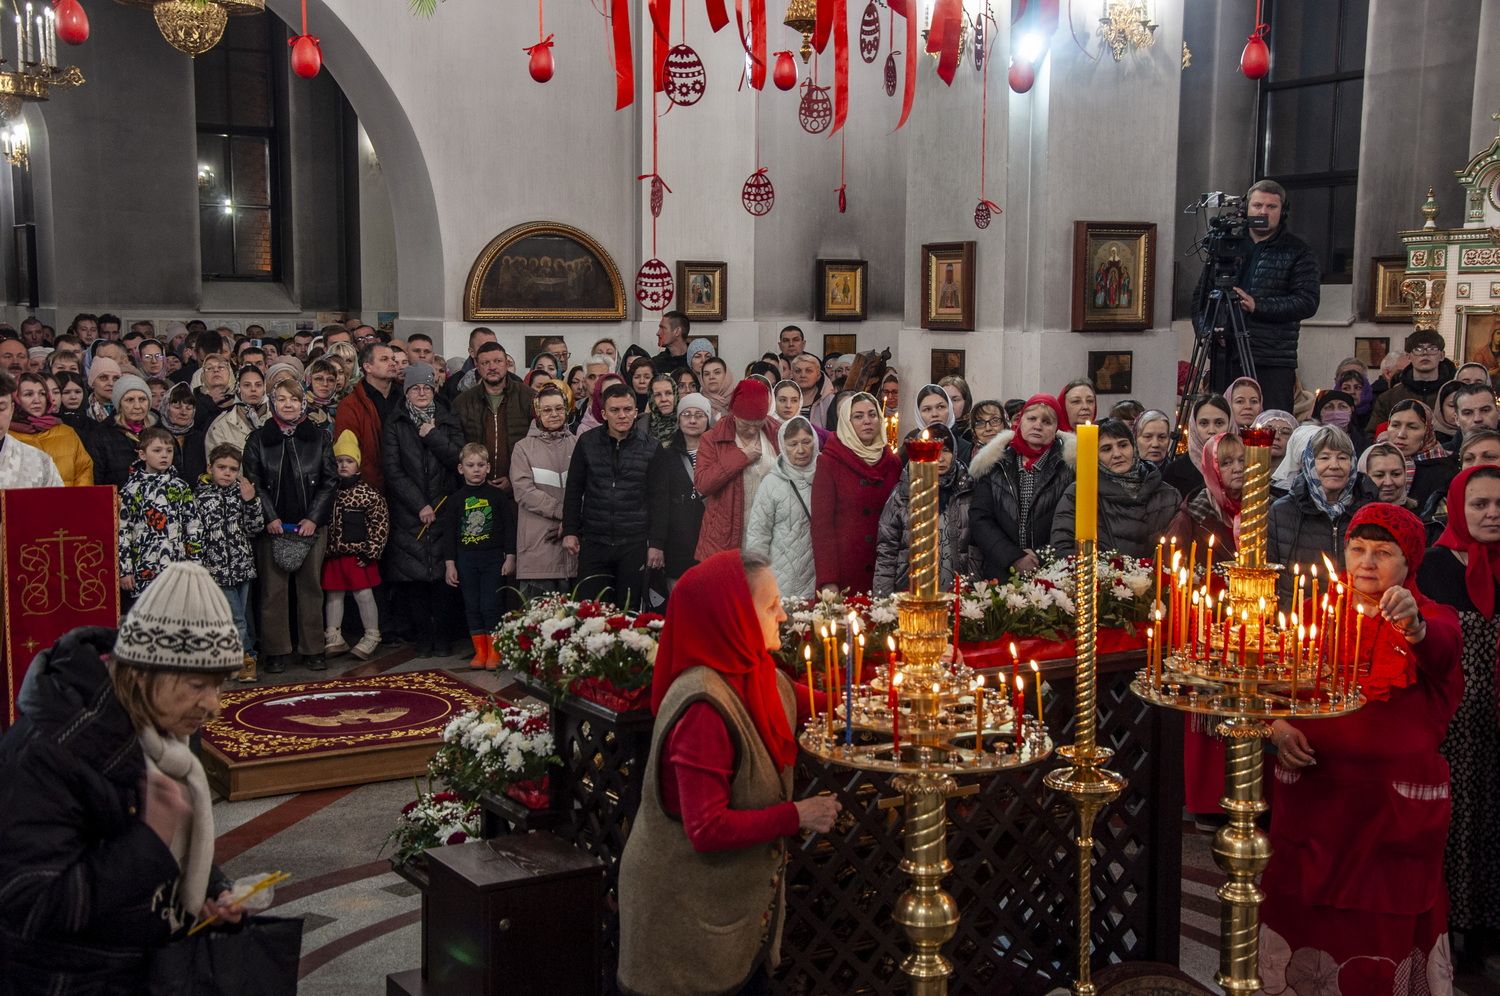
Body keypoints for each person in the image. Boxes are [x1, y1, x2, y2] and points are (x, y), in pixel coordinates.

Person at [0, 561, 250, 993]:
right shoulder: (48, 751)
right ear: (142, 673)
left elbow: (169, 846)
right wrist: (148, 840)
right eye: (197, 685)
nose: (214, 705)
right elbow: (29, 903)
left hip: (142, 968)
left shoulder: (158, 735)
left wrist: (212, 890)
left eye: (219, 685)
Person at [617, 551, 840, 996]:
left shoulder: (756, 673)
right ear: (732, 615)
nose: (783, 614)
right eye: (770, 605)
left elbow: (829, 703)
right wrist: (799, 815)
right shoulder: (702, 706)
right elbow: (707, 829)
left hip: (728, 919)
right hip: (683, 929)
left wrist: (900, 689)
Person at [1260, 504, 1460, 995]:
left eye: (1383, 552)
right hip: (1314, 803)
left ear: (1409, 562)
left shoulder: (1435, 617)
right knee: (1303, 911)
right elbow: (1269, 687)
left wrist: (1413, 626)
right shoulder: (1315, 613)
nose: (1367, 562)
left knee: (1381, 924)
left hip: (1390, 814)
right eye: (1357, 549)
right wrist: (1278, 727)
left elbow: (1439, 650)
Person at [1413, 469, 1500, 967]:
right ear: (1457, 508)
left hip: (1497, 718)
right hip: (1454, 720)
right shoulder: (1434, 566)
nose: (1492, 514)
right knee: (1457, 817)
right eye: (1480, 504)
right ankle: (1454, 926)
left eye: (1499, 505)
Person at [1191, 179, 1320, 411]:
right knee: (1222, 419)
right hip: (1225, 354)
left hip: (1271, 358)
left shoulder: (1298, 250)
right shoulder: (1225, 245)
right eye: (1257, 206)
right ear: (1246, 209)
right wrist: (1208, 332)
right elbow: (1200, 301)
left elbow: (1307, 302)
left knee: (1270, 422)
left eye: (1271, 207)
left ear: (1282, 211)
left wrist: (1257, 305)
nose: (1263, 212)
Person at [243, 380, 337, 673]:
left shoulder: (319, 437)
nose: (288, 404)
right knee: (273, 590)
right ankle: (276, 650)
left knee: (311, 588)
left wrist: (314, 518)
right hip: (273, 526)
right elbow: (254, 481)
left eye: (293, 399)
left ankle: (313, 648)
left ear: (302, 403)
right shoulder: (258, 439)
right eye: (281, 399)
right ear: (273, 403)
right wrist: (269, 517)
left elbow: (330, 481)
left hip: (310, 525)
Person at [383, 363, 465, 657]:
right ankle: (423, 638)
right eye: (415, 388)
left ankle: (443, 637)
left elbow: (458, 459)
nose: (421, 393)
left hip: (444, 507)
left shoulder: (447, 419)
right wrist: (419, 504)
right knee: (414, 579)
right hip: (410, 512)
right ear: (406, 392)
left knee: (443, 577)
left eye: (426, 388)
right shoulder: (396, 422)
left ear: (434, 390)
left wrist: (432, 435)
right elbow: (393, 470)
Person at [564, 383, 659, 608]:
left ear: (636, 412)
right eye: (615, 410)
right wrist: (570, 530)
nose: (622, 415)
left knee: (628, 612)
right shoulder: (587, 443)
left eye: (627, 409)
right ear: (604, 414)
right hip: (594, 541)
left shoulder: (651, 447)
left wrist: (657, 543)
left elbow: (659, 499)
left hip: (633, 544)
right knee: (590, 613)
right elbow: (574, 489)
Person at [971, 394, 1077, 580]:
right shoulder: (995, 463)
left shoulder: (1069, 468)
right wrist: (1014, 557)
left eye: (1047, 422)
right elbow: (980, 519)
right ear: (1020, 421)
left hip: (1053, 572)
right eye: (1032, 418)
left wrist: (1040, 556)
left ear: (1056, 428)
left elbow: (1073, 523)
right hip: (1002, 570)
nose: (1038, 426)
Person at [1267, 425, 1375, 606]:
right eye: (1324, 457)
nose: (1334, 465)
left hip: (1354, 616)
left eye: (1343, 457)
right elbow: (1270, 574)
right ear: (1309, 462)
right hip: (1298, 616)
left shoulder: (1369, 511)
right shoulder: (1281, 512)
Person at [812, 392, 902, 594]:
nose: (867, 421)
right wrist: (828, 580)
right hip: (846, 569)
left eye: (872, 414)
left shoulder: (893, 462)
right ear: (847, 422)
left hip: (885, 568)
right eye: (858, 416)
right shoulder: (830, 461)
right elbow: (822, 526)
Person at [1052, 418, 1179, 558]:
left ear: (1134, 447)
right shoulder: (1078, 494)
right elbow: (1063, 548)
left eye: (1123, 445)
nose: (1117, 454)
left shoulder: (1168, 495)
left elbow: (1178, 550)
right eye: (1106, 449)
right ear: (1095, 455)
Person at [873, 424, 974, 595]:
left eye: (946, 450)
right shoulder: (903, 493)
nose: (940, 458)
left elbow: (975, 549)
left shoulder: (968, 489)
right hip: (911, 590)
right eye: (934, 451)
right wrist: (882, 599)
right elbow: (887, 550)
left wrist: (975, 590)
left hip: (959, 591)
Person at [195, 443, 265, 682]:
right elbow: (195, 534)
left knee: (240, 616)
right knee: (235, 618)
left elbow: (255, 528)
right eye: (222, 467)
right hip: (215, 568)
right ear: (210, 468)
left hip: (241, 566)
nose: (227, 473)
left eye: (233, 469)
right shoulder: (199, 496)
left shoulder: (241, 493)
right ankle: (246, 658)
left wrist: (251, 501)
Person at [443, 442, 517, 670]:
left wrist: (511, 556)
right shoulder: (455, 500)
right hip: (465, 559)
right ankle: (480, 651)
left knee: (491, 604)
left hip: (493, 558)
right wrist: (450, 564)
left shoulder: (497, 497)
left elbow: (509, 528)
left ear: (488, 467)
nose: (476, 469)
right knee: (472, 605)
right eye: (470, 465)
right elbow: (449, 535)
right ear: (460, 468)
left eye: (480, 465)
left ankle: (495, 652)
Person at [321, 431, 389, 663]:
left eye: (349, 461)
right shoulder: (329, 492)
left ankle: (372, 634)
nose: (343, 465)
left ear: (357, 464)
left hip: (359, 555)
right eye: (339, 461)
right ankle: (333, 634)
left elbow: (380, 523)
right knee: (333, 594)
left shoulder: (368, 494)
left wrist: (371, 551)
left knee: (363, 594)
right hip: (334, 554)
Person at [694, 379, 781, 561]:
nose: (751, 430)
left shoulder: (776, 432)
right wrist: (741, 457)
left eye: (757, 424)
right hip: (726, 535)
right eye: (745, 424)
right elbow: (703, 484)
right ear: (734, 415)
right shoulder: (713, 438)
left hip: (768, 534)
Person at [118, 427, 203, 602]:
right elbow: (122, 531)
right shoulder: (131, 490)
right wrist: (125, 570)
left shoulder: (180, 487)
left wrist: (196, 565)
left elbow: (193, 527)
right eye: (157, 450)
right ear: (142, 454)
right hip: (145, 571)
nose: (164, 455)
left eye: (169, 451)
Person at [511, 385, 578, 598]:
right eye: (547, 410)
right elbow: (524, 491)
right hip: (538, 551)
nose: (554, 414)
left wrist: (571, 523)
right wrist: (566, 514)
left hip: (574, 551)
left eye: (559, 408)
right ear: (538, 413)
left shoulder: (579, 444)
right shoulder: (523, 448)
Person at [744, 416, 821, 600]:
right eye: (793, 444)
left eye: (806, 442)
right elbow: (758, 534)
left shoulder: (827, 476)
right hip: (781, 579)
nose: (800, 450)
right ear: (782, 446)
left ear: (815, 442)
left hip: (820, 578)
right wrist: (757, 579)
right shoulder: (771, 483)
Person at [647, 393, 712, 589]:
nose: (692, 420)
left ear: (708, 420)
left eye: (699, 415)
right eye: (686, 414)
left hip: (710, 543)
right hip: (677, 545)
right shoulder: (665, 456)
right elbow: (659, 503)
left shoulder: (718, 455)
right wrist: (657, 544)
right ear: (678, 419)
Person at [455, 342, 535, 493]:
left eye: (498, 361)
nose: (492, 367)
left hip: (520, 489)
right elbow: (458, 446)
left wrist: (513, 479)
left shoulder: (528, 397)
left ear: (506, 364)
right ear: (477, 367)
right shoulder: (463, 402)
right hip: (476, 490)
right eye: (485, 363)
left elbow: (536, 445)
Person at [1168, 431, 1245, 561]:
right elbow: (1167, 567)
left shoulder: (1263, 508)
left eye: (1242, 460)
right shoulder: (1191, 517)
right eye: (1227, 463)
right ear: (1211, 469)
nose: (1238, 468)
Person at [333, 342, 399, 489]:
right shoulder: (350, 404)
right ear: (367, 367)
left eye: (393, 359)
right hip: (368, 486)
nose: (392, 363)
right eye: (384, 359)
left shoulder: (404, 397)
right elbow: (348, 451)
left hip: (403, 482)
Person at [8, 371, 92, 486]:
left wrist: (76, 497)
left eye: (42, 394)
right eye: (28, 394)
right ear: (15, 399)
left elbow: (84, 472)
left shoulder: (67, 433)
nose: (37, 400)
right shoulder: (6, 437)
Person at [1366, 329, 1456, 435]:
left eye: (1432, 349)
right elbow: (1372, 435)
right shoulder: (1389, 397)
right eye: (1418, 349)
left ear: (1441, 355)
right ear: (1409, 356)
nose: (1425, 354)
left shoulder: (1453, 395)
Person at [1380, 399, 1454, 512]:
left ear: (1427, 431)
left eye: (1412, 427)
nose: (1401, 434)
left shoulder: (1446, 471)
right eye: (1395, 425)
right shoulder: (1374, 461)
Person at [1162, 394, 1232, 499]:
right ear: (1194, 426)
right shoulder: (1174, 471)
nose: (1212, 430)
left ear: (1230, 425)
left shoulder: (1243, 467)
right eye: (1204, 423)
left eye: (1219, 423)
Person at [203, 365, 269, 459]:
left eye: (258, 385)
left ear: (264, 388)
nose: (253, 389)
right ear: (238, 388)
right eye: (247, 385)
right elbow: (215, 465)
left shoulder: (276, 421)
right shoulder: (220, 426)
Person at [912, 383, 972, 464]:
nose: (935, 414)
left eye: (940, 407)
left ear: (950, 409)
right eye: (927, 409)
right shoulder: (910, 447)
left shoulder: (966, 449)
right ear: (918, 414)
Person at [1357, 441, 1416, 512]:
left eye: (1396, 474)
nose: (1388, 482)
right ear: (1363, 476)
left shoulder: (1418, 515)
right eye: (1379, 475)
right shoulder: (1349, 514)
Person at [646, 372, 678, 444]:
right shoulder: (641, 426)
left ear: (675, 395)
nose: (664, 399)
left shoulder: (688, 422)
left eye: (668, 393)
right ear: (651, 398)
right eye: (658, 395)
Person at [939, 375, 973, 441]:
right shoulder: (929, 431)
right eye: (945, 400)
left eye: (955, 400)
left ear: (966, 402)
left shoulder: (975, 433)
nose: (950, 405)